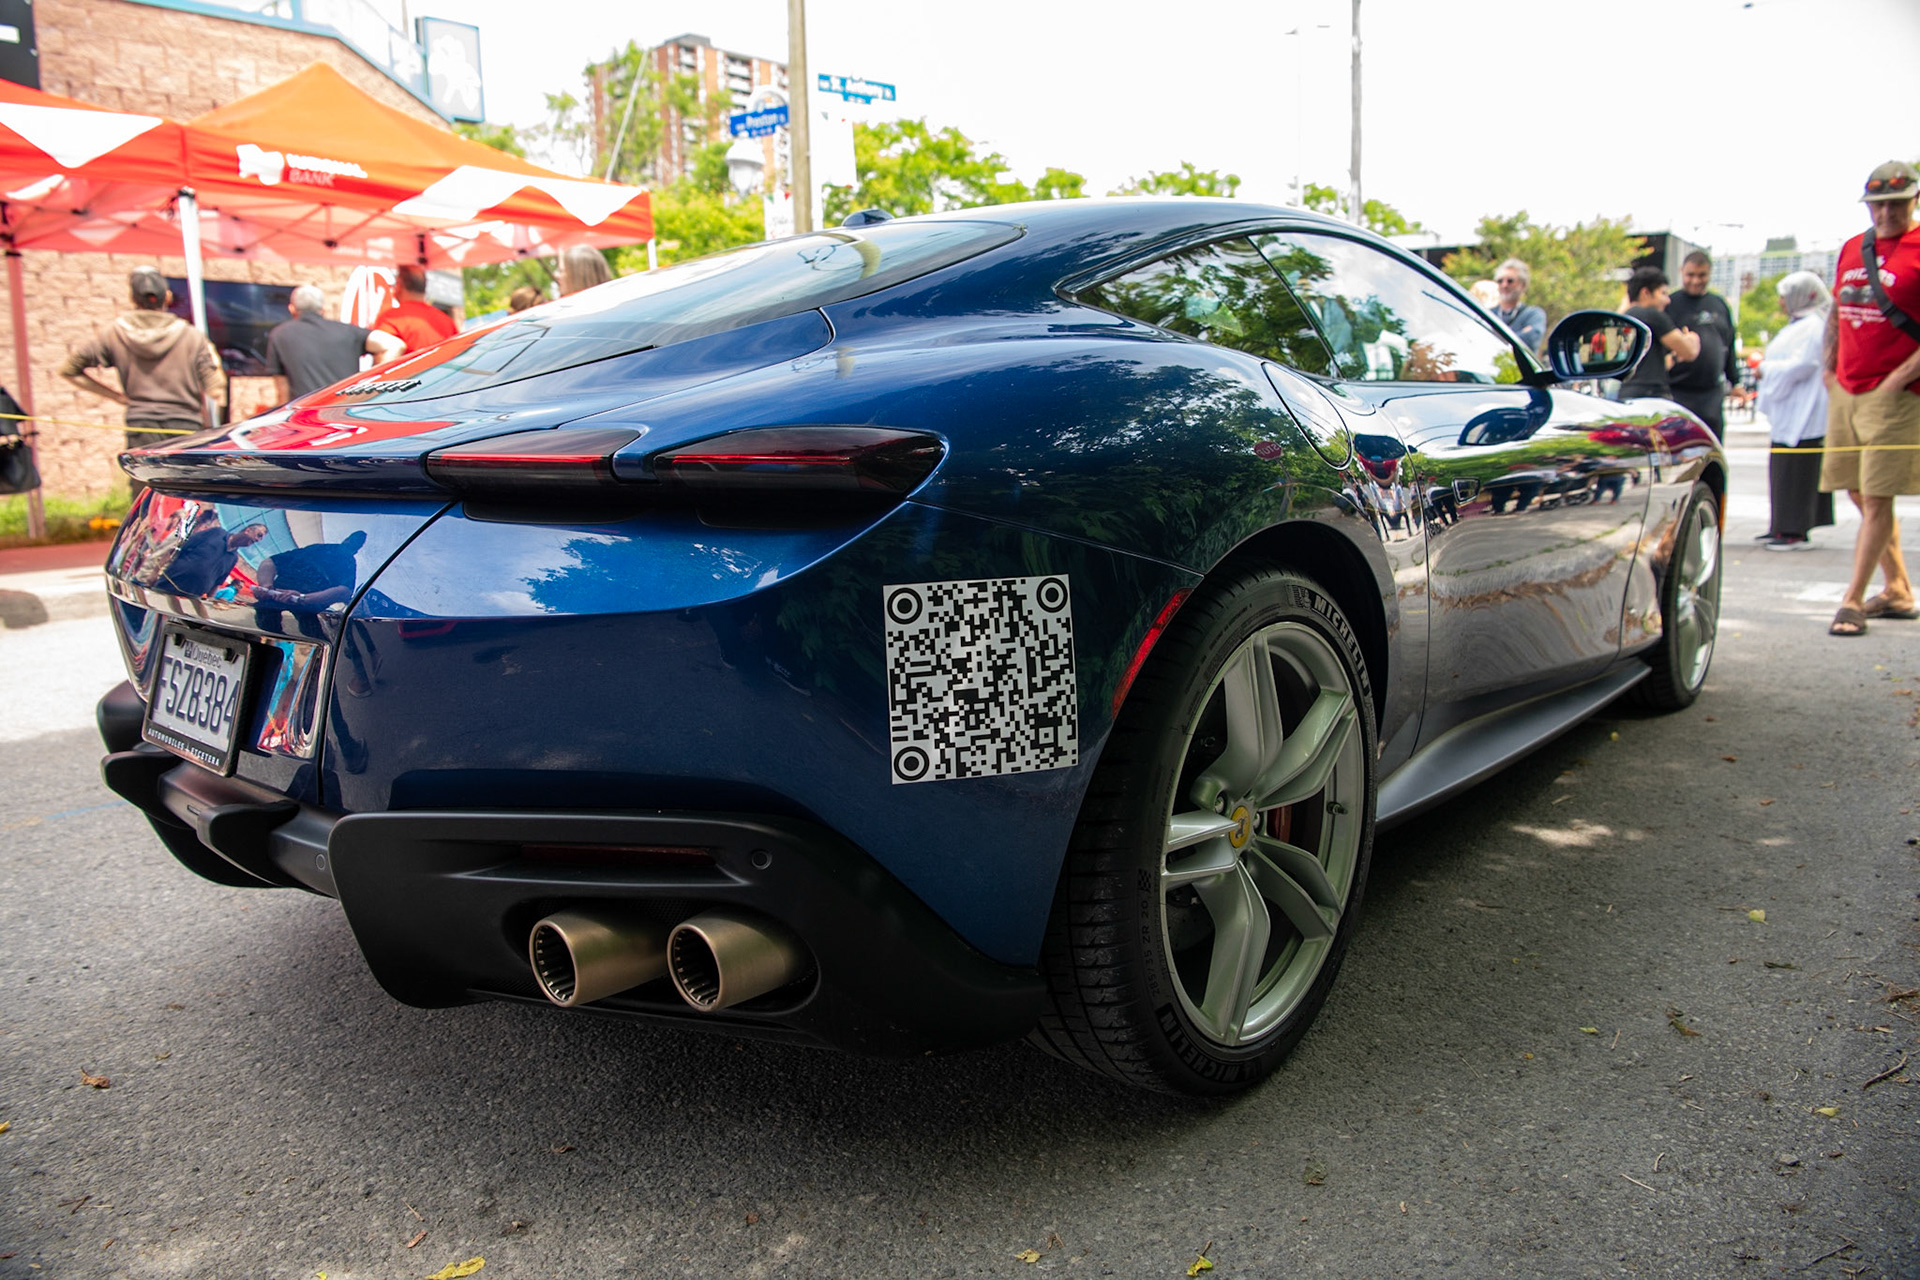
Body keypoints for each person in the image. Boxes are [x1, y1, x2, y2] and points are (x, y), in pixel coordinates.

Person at [1821, 160, 1920, 637]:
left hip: (1896, 393)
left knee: (1878, 497)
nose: (1885, 213)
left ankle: (1852, 601)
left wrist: (1899, 378)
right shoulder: (1852, 248)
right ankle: (1898, 588)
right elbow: (1837, 309)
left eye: (1895, 204)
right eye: (1877, 204)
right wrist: (1828, 368)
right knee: (1858, 491)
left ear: (1913, 200)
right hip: (1847, 387)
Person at [60, 267, 220, 494]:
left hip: (141, 425)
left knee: (145, 493)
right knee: (188, 493)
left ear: (132, 298)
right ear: (167, 297)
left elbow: (69, 369)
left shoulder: (113, 333)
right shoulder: (192, 336)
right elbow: (216, 389)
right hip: (185, 426)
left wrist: (115, 396)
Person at [1755, 271, 1835, 550]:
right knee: (1783, 471)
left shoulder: (1813, 326)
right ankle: (1781, 525)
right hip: (1791, 410)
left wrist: (1765, 369)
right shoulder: (1799, 325)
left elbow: (1804, 365)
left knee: (1798, 472)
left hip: (1805, 411)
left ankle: (1795, 529)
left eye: (1785, 296)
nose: (1781, 302)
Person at [264, 284, 403, 403]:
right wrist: (371, 385)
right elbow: (395, 345)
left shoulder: (280, 335)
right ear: (323, 309)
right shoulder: (347, 331)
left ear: (291, 309)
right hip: (345, 411)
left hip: (306, 416)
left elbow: (282, 392)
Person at [1663, 251, 1741, 433]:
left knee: (1712, 443)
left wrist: (1735, 382)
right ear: (1681, 271)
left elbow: (1729, 346)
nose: (1696, 281)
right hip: (1677, 391)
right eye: (1690, 275)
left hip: (1711, 394)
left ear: (1709, 273)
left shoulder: (1719, 305)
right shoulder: (1669, 304)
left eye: (1702, 275)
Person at [1619, 267, 1701, 399]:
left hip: (1625, 393)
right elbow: (1689, 352)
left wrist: (1673, 358)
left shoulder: (1623, 318)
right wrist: (1692, 339)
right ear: (1646, 292)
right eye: (1663, 293)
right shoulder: (1652, 315)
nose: (1668, 300)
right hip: (1650, 395)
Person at [372, 264, 458, 357]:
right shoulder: (447, 321)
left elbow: (382, 358)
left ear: (399, 284)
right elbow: (458, 354)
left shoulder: (390, 318)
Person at [1489, 258, 1546, 352]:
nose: (1504, 285)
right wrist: (1519, 335)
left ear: (1523, 285)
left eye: (1510, 281)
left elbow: (1531, 340)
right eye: (1500, 281)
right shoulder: (1489, 314)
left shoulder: (1533, 314)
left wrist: (1496, 339)